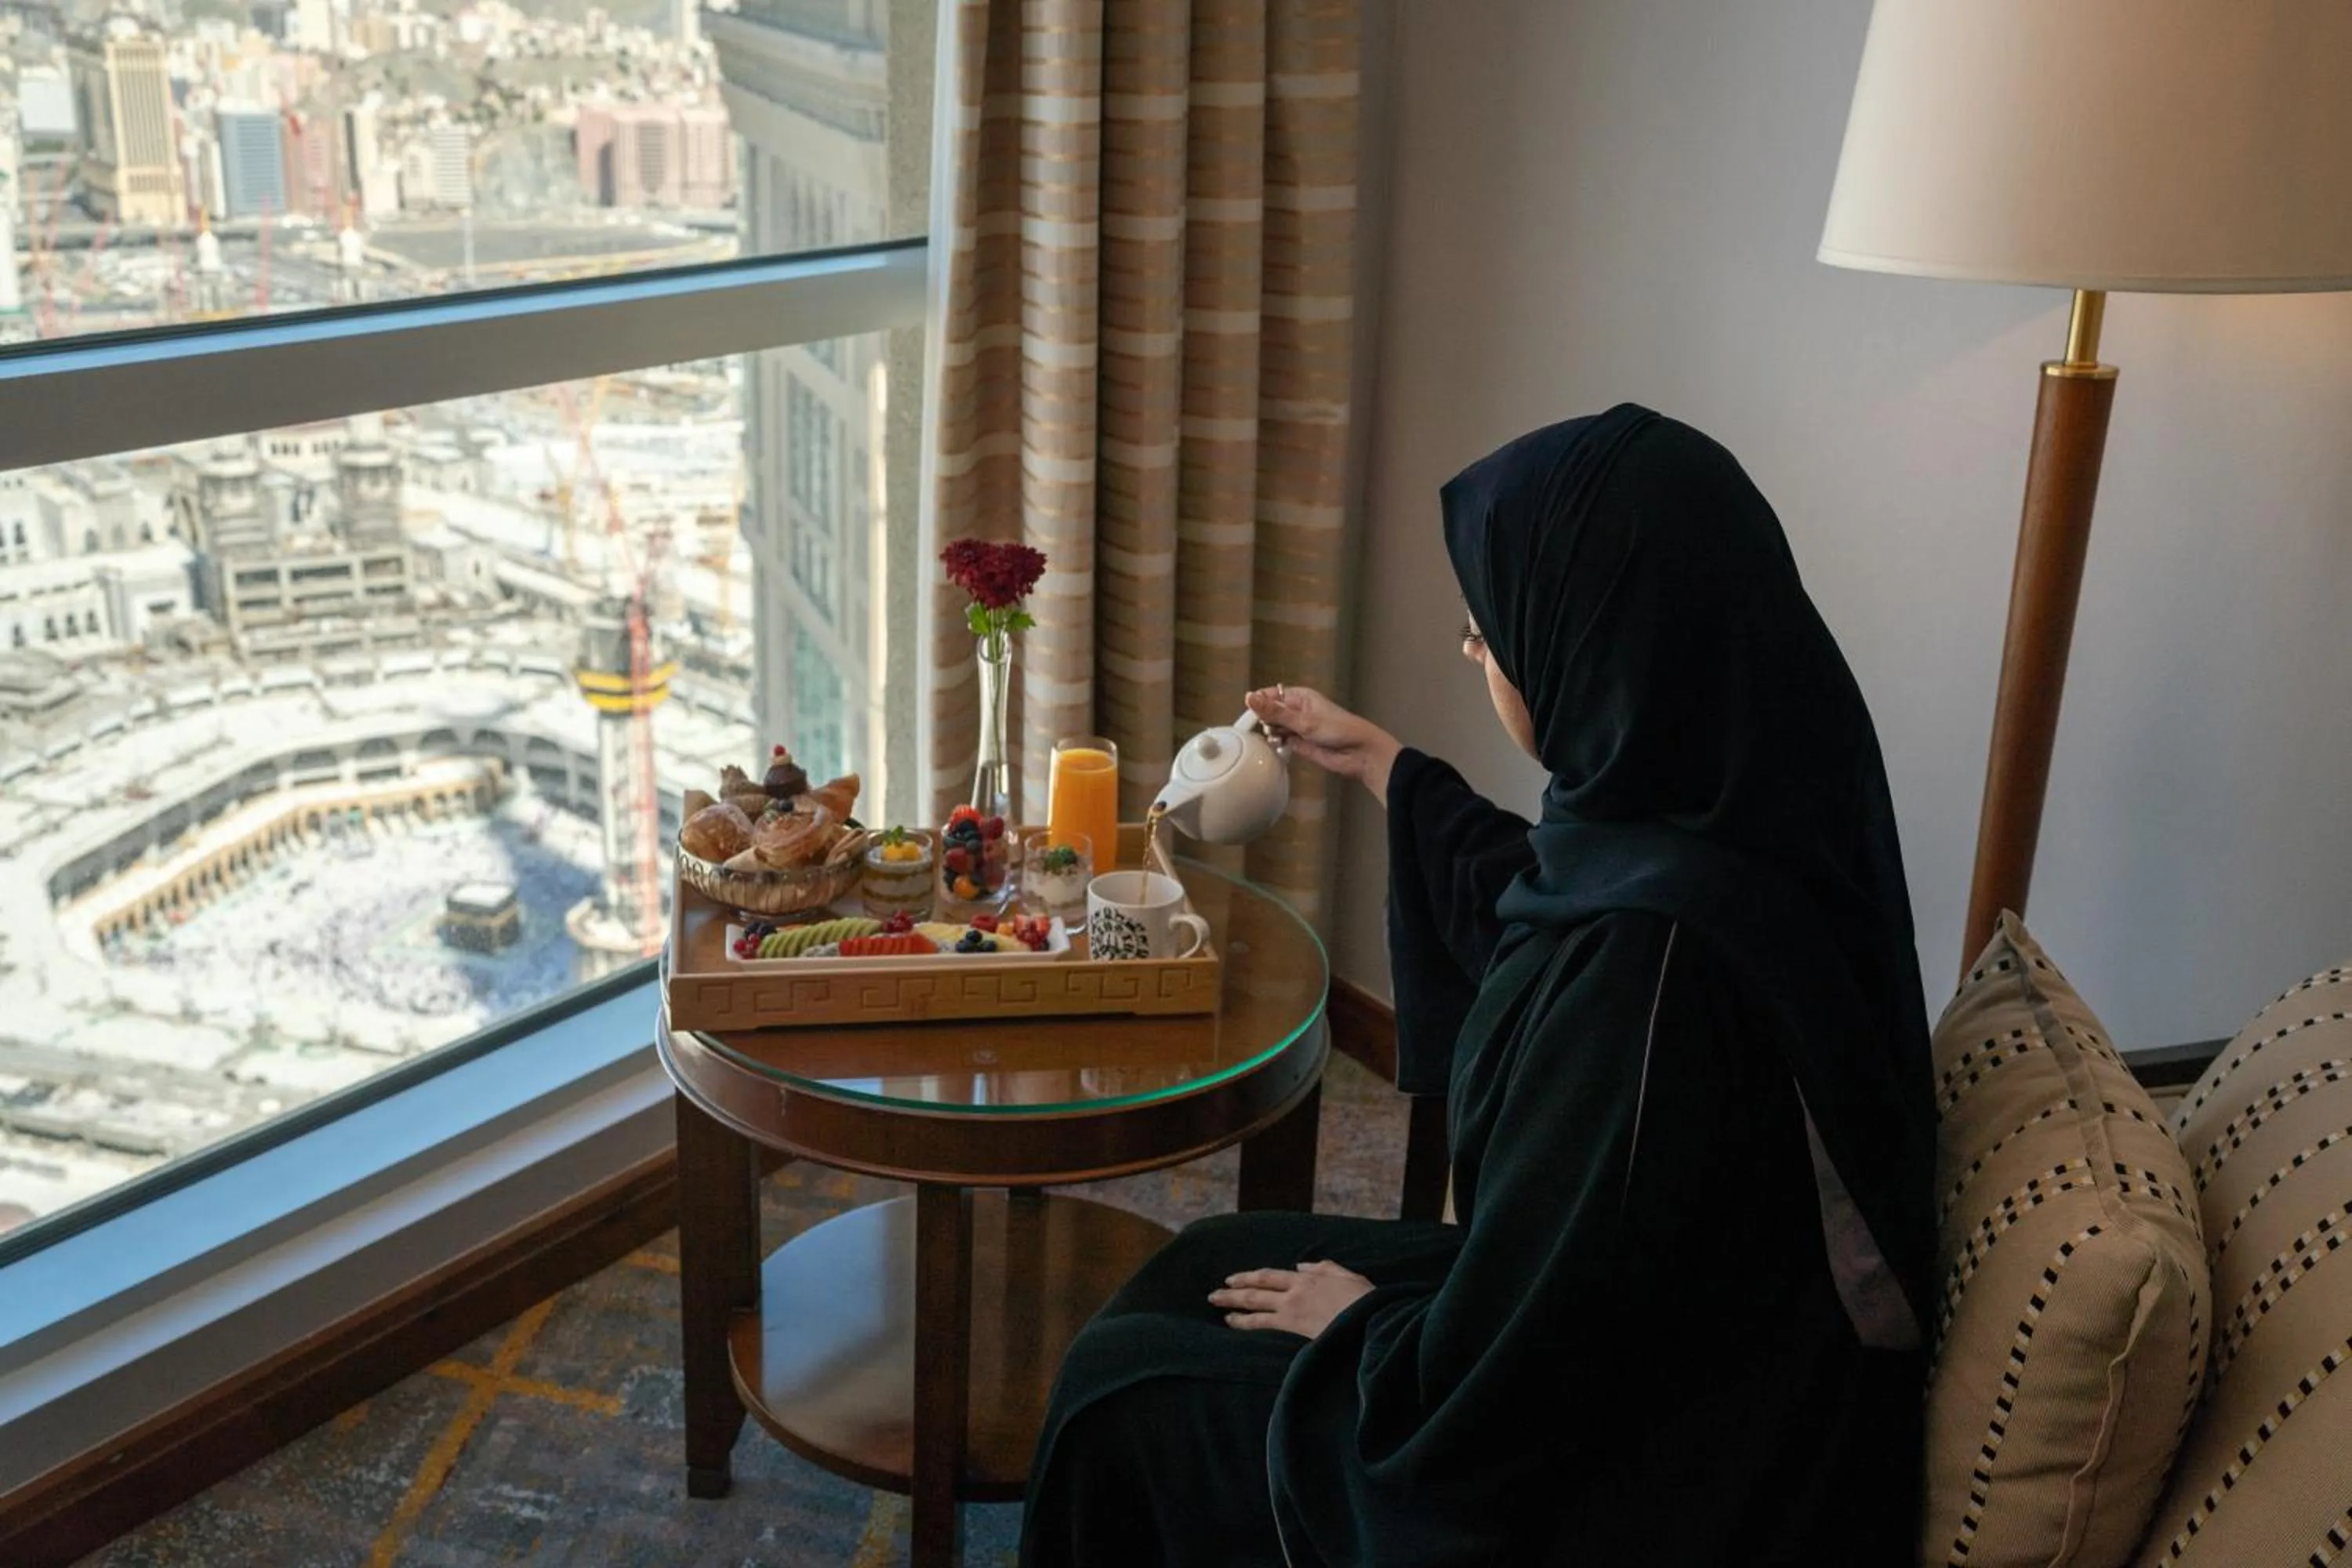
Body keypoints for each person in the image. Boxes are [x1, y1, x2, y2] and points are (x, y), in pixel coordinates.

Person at [1019, 404, 1936, 1566]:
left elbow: (1528, 1365)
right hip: (1647, 1323)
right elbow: (1553, 898)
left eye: (1489, 626)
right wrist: (1387, 768)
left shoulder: (1655, 981)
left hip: (1668, 1458)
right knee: (1209, 1260)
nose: (1469, 644)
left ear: (1594, 639)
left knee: (1123, 1393)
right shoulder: (1742, 792)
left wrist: (1365, 1332)